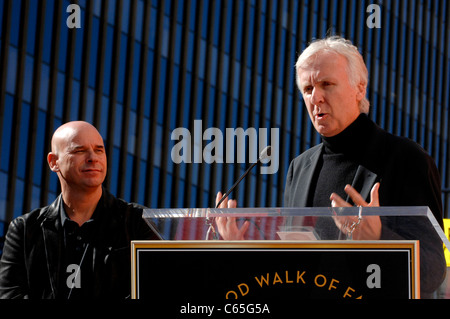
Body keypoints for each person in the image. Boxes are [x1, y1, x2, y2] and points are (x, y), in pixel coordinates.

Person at [217, 36, 446, 298]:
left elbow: (433, 271)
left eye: (327, 84)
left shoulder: (406, 158)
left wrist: (379, 238)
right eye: (307, 89)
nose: (316, 98)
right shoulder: (299, 167)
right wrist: (248, 249)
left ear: (359, 89)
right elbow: (296, 271)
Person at [0, 121, 159, 299]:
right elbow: (10, 295)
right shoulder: (24, 230)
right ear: (54, 162)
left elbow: (156, 289)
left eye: (99, 150)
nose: (93, 157)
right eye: (79, 151)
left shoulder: (138, 221)